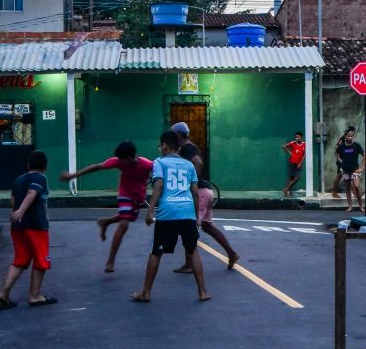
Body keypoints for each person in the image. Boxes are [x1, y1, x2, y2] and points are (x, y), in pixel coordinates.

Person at [131, 130, 209, 303]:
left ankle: (146, 292)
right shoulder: (189, 165)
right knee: (192, 250)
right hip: (187, 212)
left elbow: (158, 186)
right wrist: (196, 217)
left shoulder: (159, 163)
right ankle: (202, 291)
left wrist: (150, 210)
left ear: (164, 146)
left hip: (168, 213)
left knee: (156, 252)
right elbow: (195, 193)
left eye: (160, 145)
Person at [60, 141, 153, 272]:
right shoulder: (119, 162)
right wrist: (73, 176)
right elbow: (96, 167)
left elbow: (160, 173)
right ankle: (110, 261)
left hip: (138, 196)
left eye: (122, 159)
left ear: (131, 157)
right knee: (124, 224)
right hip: (125, 194)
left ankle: (105, 222)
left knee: (129, 217)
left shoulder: (147, 164)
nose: (120, 162)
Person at [170, 121, 239, 272]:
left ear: (179, 135)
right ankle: (231, 253)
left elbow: (198, 163)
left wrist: (190, 182)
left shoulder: (187, 148)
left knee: (188, 228)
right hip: (205, 192)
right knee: (207, 226)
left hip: (199, 193)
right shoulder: (188, 147)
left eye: (172, 133)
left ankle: (190, 264)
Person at [0, 150, 56, 309]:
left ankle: (4, 293)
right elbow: (32, 192)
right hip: (35, 225)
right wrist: (22, 210)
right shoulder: (40, 177)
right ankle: (35, 296)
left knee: (20, 260)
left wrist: (17, 213)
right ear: (46, 166)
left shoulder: (18, 179)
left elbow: (13, 200)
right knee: (41, 260)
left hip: (18, 226)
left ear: (28, 164)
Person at [336, 127, 365, 213]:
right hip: (345, 170)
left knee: (356, 186)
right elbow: (338, 154)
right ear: (345, 136)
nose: (350, 138)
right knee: (348, 188)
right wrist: (340, 161)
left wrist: (362, 168)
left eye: (352, 136)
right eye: (348, 136)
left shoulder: (356, 145)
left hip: (355, 170)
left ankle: (361, 206)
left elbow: (364, 155)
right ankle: (350, 206)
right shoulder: (342, 146)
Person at [331, 125, 355, 198]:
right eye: (352, 132)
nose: (353, 133)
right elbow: (337, 149)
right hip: (342, 161)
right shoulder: (343, 139)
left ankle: (354, 193)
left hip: (347, 160)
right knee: (340, 175)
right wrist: (339, 159)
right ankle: (334, 192)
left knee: (348, 176)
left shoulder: (347, 138)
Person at [282, 132, 305, 197]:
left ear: (301, 137)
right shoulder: (292, 143)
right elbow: (283, 146)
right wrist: (290, 152)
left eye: (298, 137)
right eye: (295, 137)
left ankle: (286, 188)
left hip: (298, 163)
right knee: (291, 177)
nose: (296, 138)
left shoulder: (304, 144)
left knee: (297, 177)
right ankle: (289, 191)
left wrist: (300, 163)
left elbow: (304, 155)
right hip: (292, 162)